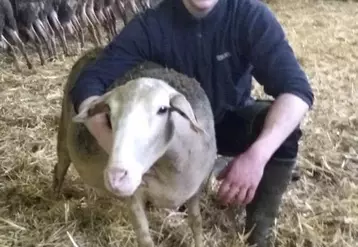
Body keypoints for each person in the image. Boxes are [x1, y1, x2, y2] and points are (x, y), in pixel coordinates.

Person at [70, 0, 314, 246]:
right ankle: (178, 190)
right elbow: (90, 80)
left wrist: (256, 157)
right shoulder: (151, 25)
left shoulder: (249, 15)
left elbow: (296, 90)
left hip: (229, 119)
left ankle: (258, 234)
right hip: (177, 133)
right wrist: (114, 145)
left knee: (283, 134)